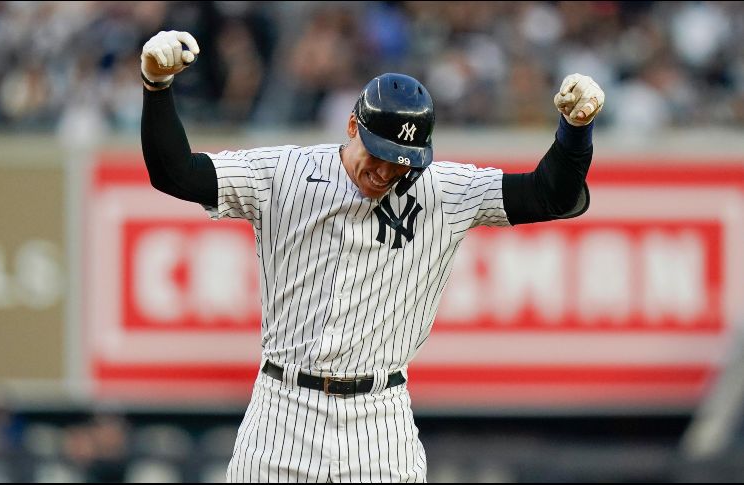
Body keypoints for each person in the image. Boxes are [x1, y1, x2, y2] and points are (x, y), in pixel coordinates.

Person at [139, 30, 604, 483]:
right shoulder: (282, 173)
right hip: (281, 410)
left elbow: (551, 196)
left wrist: (575, 133)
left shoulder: (445, 190)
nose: (384, 171)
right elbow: (176, 173)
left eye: (401, 161)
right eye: (378, 153)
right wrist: (157, 88)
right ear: (351, 126)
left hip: (379, 420)